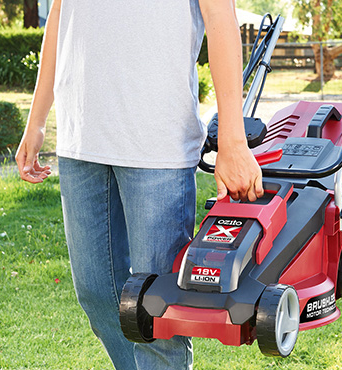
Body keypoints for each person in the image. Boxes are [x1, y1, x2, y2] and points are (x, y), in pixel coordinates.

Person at [15, 0, 263, 368]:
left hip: (157, 144)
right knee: (98, 293)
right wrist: (36, 123)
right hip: (81, 136)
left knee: (158, 309)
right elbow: (58, 18)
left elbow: (220, 16)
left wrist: (233, 140)